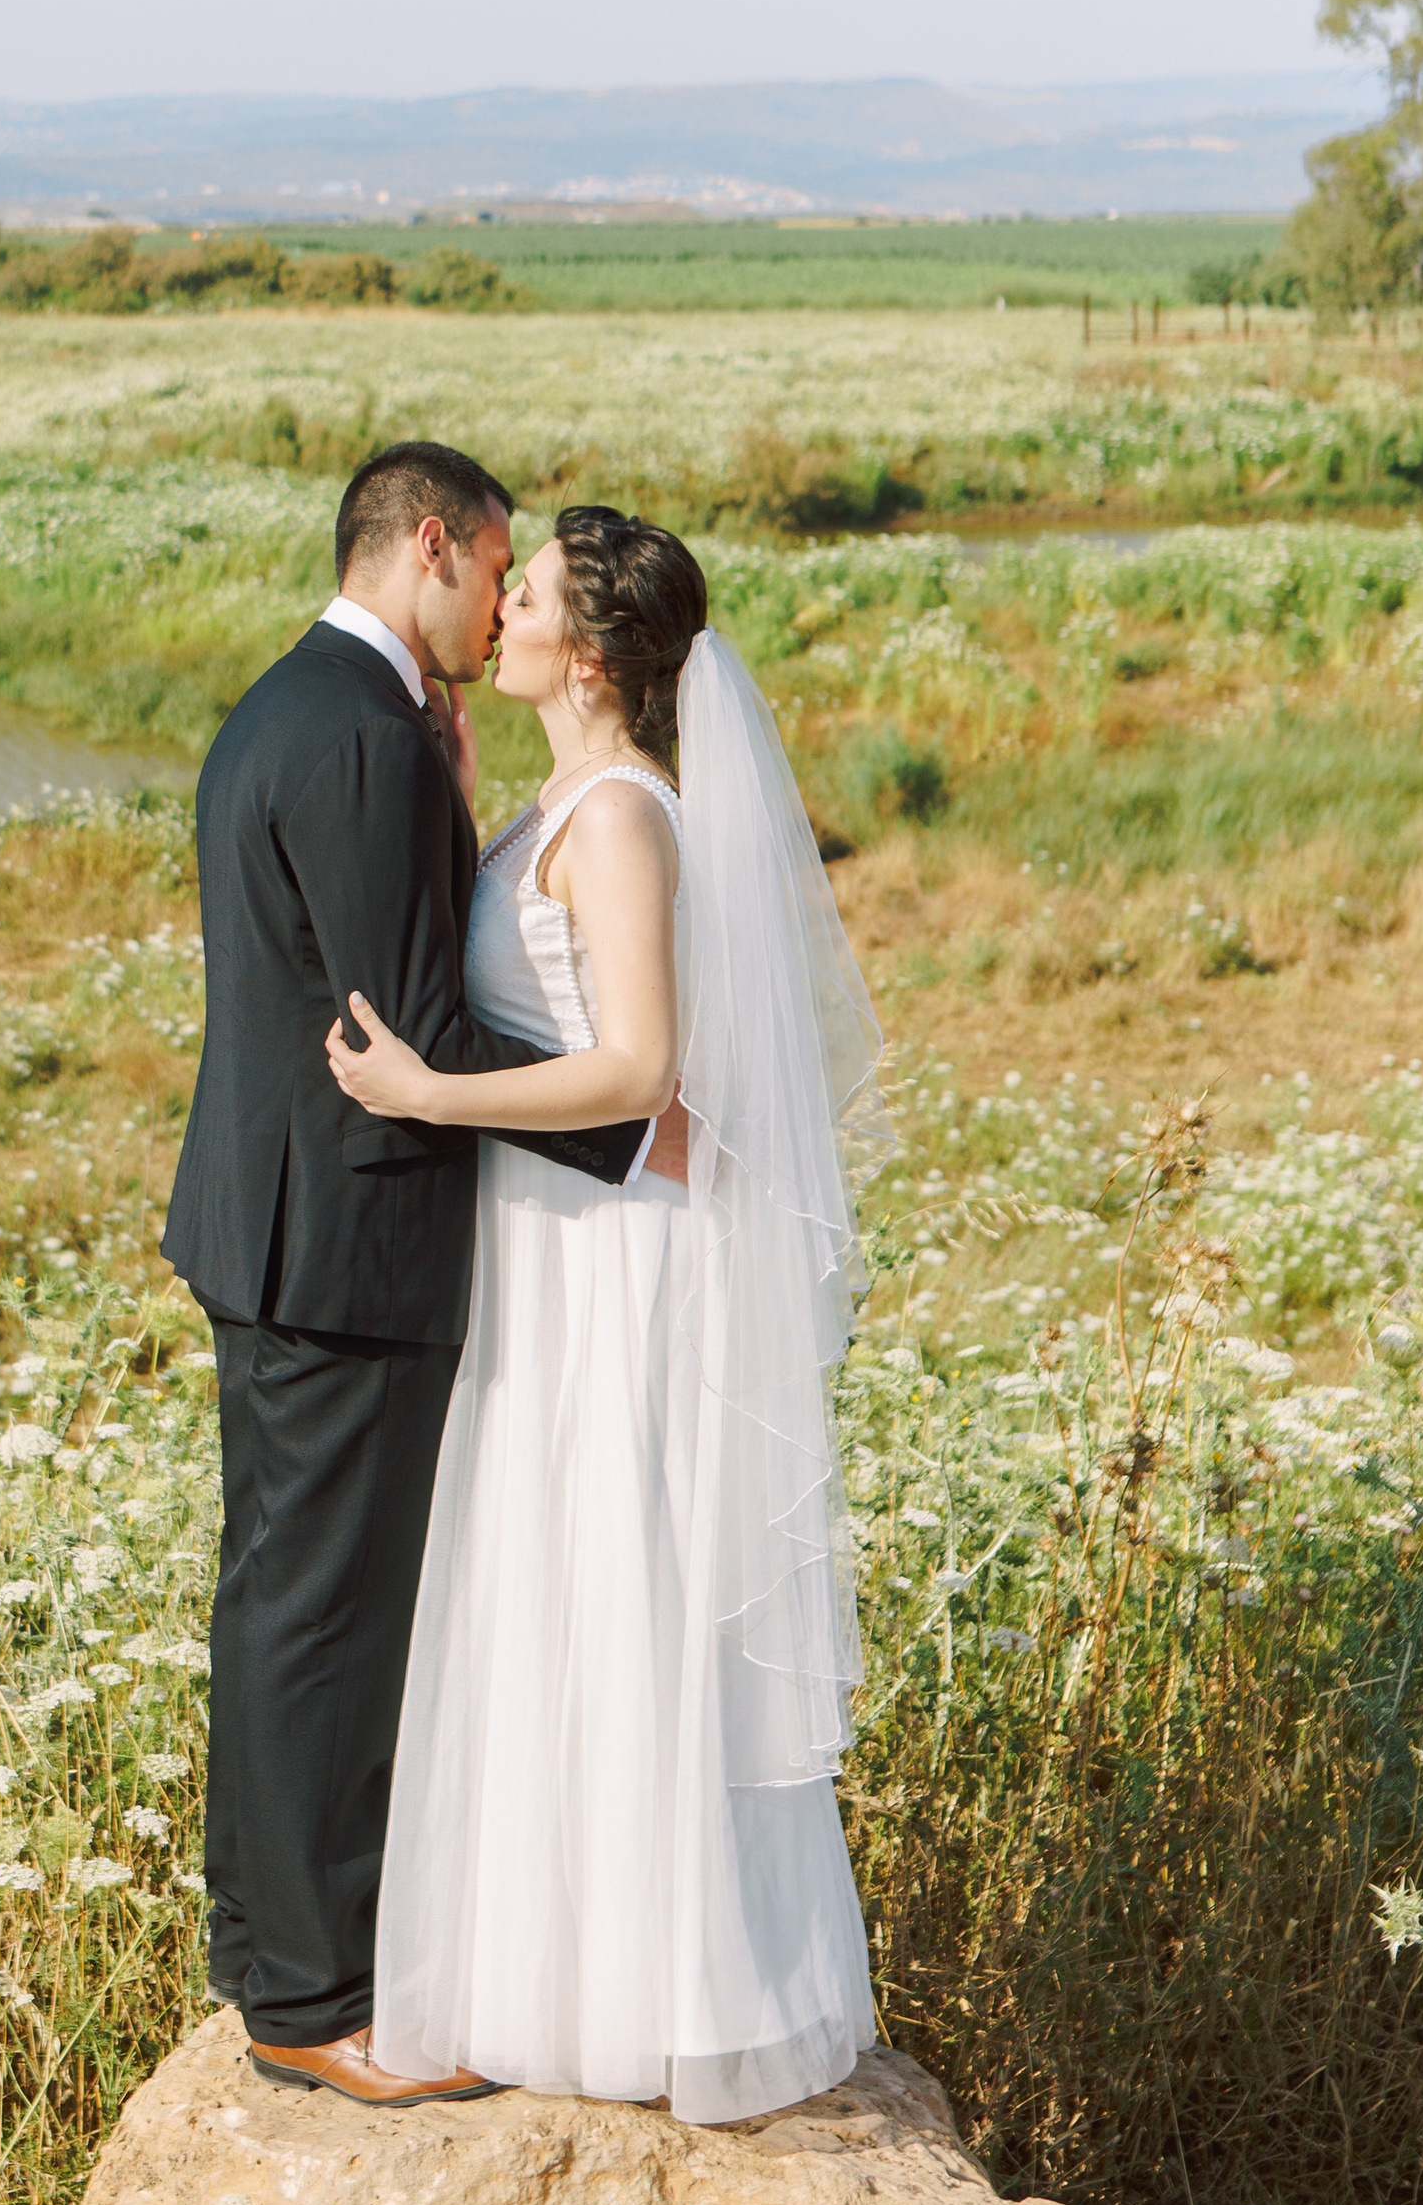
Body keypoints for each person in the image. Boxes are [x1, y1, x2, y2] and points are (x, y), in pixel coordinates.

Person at [327, 507, 891, 2120]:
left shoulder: (628, 817)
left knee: (618, 1583)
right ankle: (545, 1970)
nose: (496, 610)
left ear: (586, 659)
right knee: (550, 1587)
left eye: (528, 599)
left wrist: (433, 1095)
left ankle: (660, 1991)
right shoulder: (558, 799)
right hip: (549, 1240)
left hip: (617, 1256)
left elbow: (641, 1066)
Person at [160, 444, 656, 2107]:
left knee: (278, 1605)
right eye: (496, 570)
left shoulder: (294, 703)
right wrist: (637, 1124)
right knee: (328, 1621)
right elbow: (411, 1037)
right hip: (347, 1246)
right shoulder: (368, 738)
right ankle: (314, 2002)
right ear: (429, 545)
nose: (500, 608)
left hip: (280, 1228)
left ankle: (268, 1955)